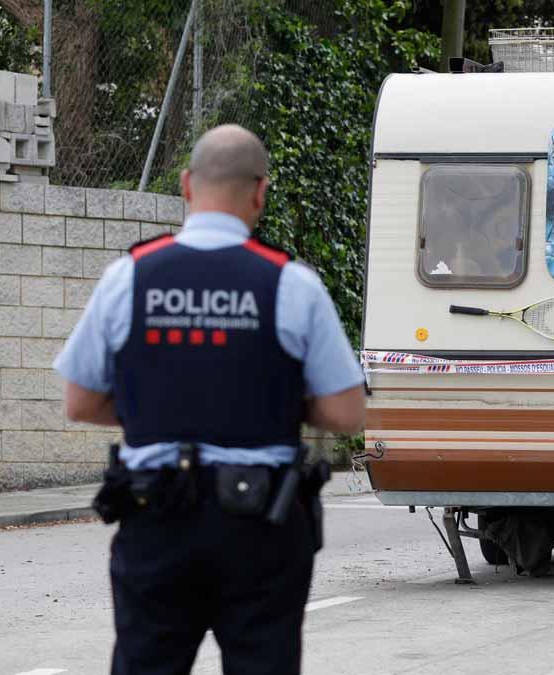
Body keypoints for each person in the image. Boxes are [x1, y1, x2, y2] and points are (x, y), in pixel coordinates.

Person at [53, 124, 366, 675]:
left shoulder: (129, 277)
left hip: (156, 516)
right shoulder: (290, 284)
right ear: (260, 192)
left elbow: (80, 401)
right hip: (261, 525)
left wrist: (159, 409)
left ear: (186, 186)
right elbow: (345, 412)